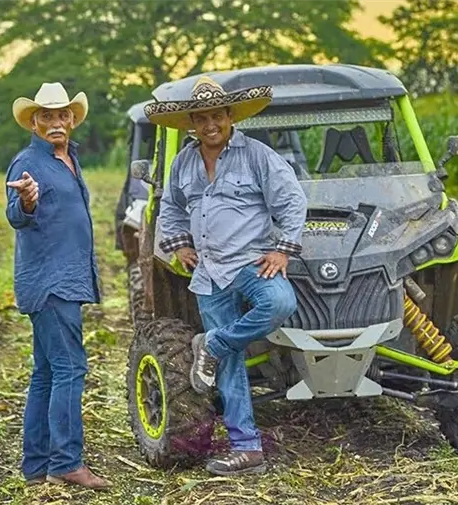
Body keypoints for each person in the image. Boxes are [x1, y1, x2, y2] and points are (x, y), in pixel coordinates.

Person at [143, 76, 307, 476]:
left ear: (230, 116)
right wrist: (180, 244)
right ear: (192, 123)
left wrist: (282, 249)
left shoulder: (257, 156)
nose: (210, 124)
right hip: (209, 274)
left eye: (217, 115)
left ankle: (211, 344)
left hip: (251, 263)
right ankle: (246, 448)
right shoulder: (183, 162)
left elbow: (291, 200)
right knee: (230, 364)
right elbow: (172, 208)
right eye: (201, 118)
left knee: (280, 302)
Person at [4, 82, 110, 490]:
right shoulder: (27, 163)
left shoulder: (68, 158)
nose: (55, 122)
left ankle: (35, 466)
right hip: (51, 283)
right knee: (70, 368)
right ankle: (66, 461)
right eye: (46, 116)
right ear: (34, 122)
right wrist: (26, 201)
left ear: (72, 119)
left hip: (65, 278)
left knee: (47, 372)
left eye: (62, 115)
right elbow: (16, 213)